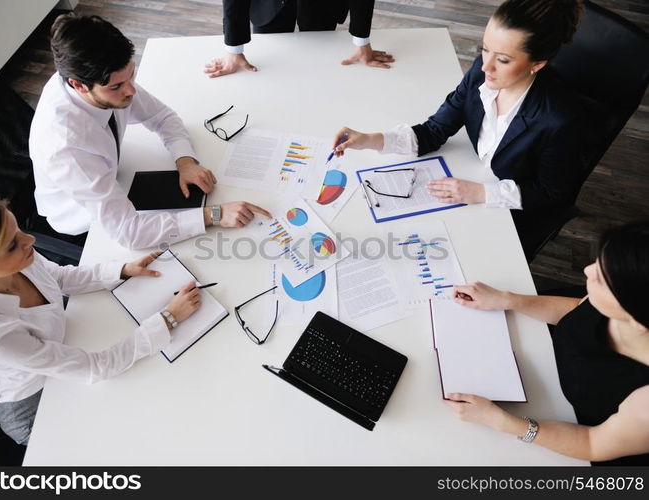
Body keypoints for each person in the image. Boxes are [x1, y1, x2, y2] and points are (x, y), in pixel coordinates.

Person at [331, 0, 586, 259]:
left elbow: (552, 194)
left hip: (509, 211)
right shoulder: (480, 73)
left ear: (537, 64)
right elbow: (434, 131)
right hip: (472, 187)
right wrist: (372, 140)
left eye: (503, 60)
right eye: (485, 49)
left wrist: (479, 192)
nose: (486, 65)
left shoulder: (561, 119)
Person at [0, 190, 202, 445]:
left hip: (62, 351)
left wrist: (122, 270)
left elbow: (58, 278)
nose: (30, 240)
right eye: (12, 244)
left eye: (17, 230)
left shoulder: (18, 254)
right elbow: (96, 367)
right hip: (33, 403)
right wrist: (167, 319)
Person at [30, 13, 270, 250]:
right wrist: (214, 215)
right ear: (78, 86)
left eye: (131, 75)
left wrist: (185, 161)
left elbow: (162, 117)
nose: (131, 91)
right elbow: (129, 232)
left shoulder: (99, 77)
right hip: (87, 226)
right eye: (117, 86)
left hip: (116, 178)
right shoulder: (66, 147)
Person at [446, 220, 649, 466]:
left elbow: (593, 443)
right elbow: (577, 310)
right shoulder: (621, 302)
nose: (586, 271)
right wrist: (507, 300)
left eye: (602, 279)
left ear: (637, 319)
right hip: (547, 380)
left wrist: (500, 421)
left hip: (576, 436)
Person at [204, 0, 394, 78]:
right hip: (269, 6)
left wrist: (362, 42)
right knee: (269, 73)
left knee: (320, 66)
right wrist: (234, 49)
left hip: (321, 4)